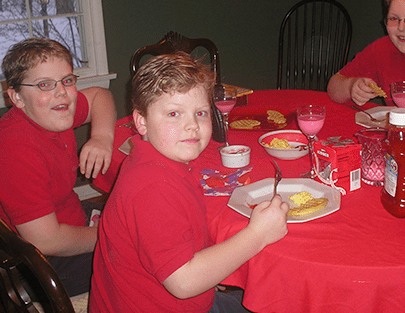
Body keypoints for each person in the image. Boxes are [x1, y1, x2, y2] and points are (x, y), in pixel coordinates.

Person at [90, 52, 289, 313]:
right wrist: (258, 235)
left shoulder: (159, 162)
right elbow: (183, 282)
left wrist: (210, 270)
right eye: (174, 113)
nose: (192, 125)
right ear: (141, 122)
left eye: (201, 113)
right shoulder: (152, 188)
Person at [0, 37, 116, 296]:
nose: (62, 92)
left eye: (68, 80)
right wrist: (106, 235)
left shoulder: (52, 113)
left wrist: (102, 136)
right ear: (17, 97)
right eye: (44, 84)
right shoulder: (15, 152)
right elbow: (46, 241)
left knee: (138, 216)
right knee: (139, 263)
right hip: (31, 263)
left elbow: (99, 96)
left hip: (62, 219)